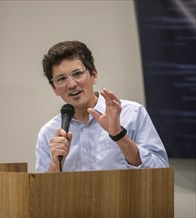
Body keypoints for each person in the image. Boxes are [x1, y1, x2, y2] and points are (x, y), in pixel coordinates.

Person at [35, 41, 169, 172]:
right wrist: (55, 163)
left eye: (77, 74)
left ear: (93, 75)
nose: (71, 84)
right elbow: (41, 192)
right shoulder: (48, 133)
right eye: (61, 79)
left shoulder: (132, 114)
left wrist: (119, 136)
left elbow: (161, 171)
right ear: (54, 88)